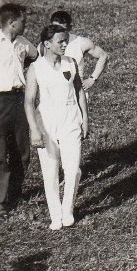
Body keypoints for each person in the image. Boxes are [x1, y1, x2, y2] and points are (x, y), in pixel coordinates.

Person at [23, 24, 88, 230]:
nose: (64, 44)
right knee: (50, 171)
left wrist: (85, 118)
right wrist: (34, 129)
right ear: (47, 44)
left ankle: (67, 210)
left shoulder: (71, 63)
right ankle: (55, 215)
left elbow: (78, 90)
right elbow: (29, 101)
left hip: (71, 118)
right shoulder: (36, 68)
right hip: (47, 122)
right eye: (60, 41)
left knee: (73, 170)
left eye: (65, 40)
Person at [0, 3, 39, 213]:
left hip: (19, 100)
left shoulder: (23, 43)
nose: (25, 25)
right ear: (12, 22)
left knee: (21, 149)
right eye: (23, 21)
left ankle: (14, 196)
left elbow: (36, 57)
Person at [49, 10, 109, 92]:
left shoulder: (81, 43)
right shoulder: (45, 44)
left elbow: (103, 56)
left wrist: (92, 79)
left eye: (62, 30)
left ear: (70, 28)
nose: (58, 33)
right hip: (53, 92)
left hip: (76, 93)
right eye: (55, 28)